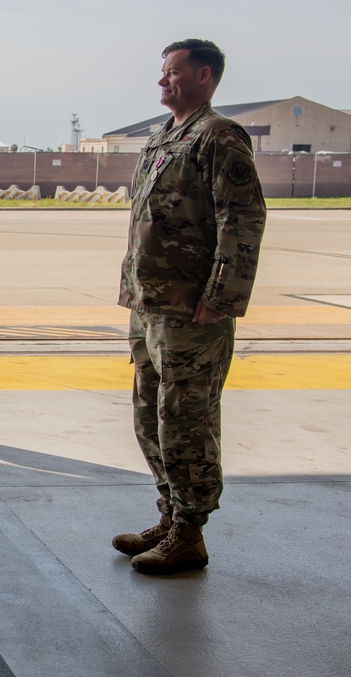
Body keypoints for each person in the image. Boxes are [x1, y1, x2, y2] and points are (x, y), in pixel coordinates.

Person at [113, 39, 266, 575]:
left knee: (185, 424)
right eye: (162, 73)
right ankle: (170, 515)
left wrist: (221, 299)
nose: (162, 82)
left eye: (172, 73)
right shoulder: (164, 137)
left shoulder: (220, 137)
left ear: (203, 76)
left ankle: (190, 533)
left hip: (190, 313)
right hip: (150, 306)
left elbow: (242, 220)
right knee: (149, 419)